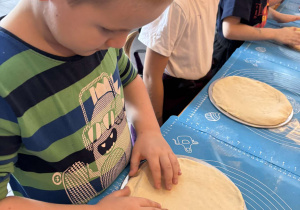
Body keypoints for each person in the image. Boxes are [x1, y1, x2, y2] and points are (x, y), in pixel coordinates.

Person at [0, 0, 181, 209]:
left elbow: (129, 79)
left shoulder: (99, 41)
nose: (119, 42)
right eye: (107, 28)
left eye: (131, 29)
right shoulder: (6, 80)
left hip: (122, 181)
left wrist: (149, 130)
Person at [138, 0, 220, 125]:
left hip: (200, 85)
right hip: (172, 94)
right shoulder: (173, 6)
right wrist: (157, 122)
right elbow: (151, 76)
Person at [212, 0, 300, 73]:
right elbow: (230, 30)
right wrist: (275, 34)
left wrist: (277, 16)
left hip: (247, 43)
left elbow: (256, 7)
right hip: (230, 52)